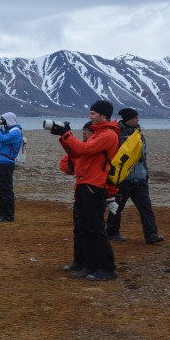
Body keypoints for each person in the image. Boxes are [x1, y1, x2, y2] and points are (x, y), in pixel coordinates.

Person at [53, 100, 120, 281]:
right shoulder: (98, 134)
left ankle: (107, 268)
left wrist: (67, 135)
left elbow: (85, 149)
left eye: (93, 113)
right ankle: (88, 265)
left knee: (95, 228)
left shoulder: (108, 135)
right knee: (83, 226)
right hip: (85, 183)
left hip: (95, 185)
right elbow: (77, 153)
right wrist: (63, 136)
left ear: (103, 115)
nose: (90, 116)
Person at [106, 107, 165, 244]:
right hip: (122, 179)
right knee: (117, 207)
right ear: (128, 119)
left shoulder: (138, 134)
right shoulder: (116, 134)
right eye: (135, 117)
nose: (138, 119)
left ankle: (151, 235)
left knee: (145, 207)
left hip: (139, 179)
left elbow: (143, 157)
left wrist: (145, 174)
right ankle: (111, 232)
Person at [59, 121, 93, 273]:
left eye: (87, 130)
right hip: (81, 189)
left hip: (91, 190)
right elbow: (67, 164)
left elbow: (69, 162)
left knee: (88, 229)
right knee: (79, 228)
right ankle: (79, 261)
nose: (84, 133)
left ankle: (88, 263)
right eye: (83, 130)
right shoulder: (83, 148)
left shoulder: (93, 148)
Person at [0, 112, 24, 221]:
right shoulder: (8, 131)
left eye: (3, 120)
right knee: (0, 189)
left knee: (6, 189)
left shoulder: (16, 132)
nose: (2, 121)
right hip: (0, 163)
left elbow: (2, 139)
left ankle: (8, 215)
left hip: (6, 164)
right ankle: (2, 214)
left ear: (9, 120)